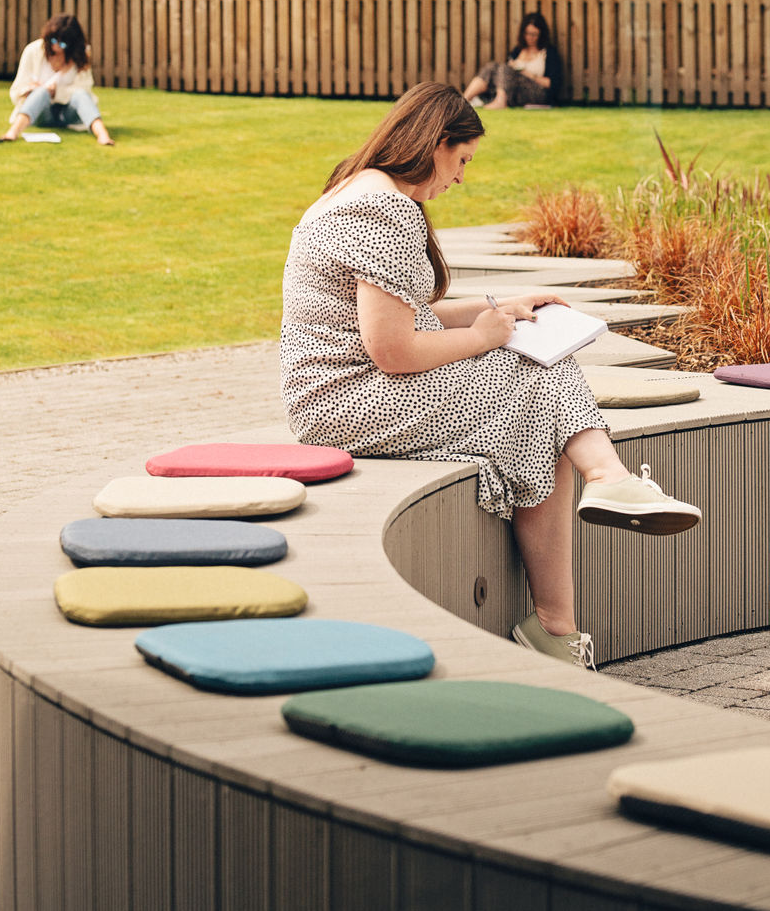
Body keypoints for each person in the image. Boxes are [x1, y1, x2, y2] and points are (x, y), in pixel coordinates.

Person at [280, 81, 700, 671]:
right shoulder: (380, 209)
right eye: (462, 160)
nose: (460, 178)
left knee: (538, 390)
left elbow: (403, 315)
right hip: (344, 404)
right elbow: (394, 351)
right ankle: (603, 487)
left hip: (341, 396)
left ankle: (560, 619)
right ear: (436, 142)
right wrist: (483, 338)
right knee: (533, 370)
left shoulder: (355, 191)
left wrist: (502, 308)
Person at [2, 13, 114, 145]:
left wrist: (57, 92)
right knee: (41, 92)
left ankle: (102, 135)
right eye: (54, 41)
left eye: (63, 43)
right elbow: (16, 91)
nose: (57, 46)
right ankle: (13, 132)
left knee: (80, 95)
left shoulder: (81, 56)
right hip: (41, 113)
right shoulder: (33, 51)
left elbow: (84, 89)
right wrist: (33, 90)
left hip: (70, 113)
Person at [463, 12, 565, 110]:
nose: (530, 37)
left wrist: (526, 73)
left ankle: (500, 101)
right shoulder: (518, 50)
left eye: (534, 34)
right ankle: (463, 100)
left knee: (505, 68)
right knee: (492, 66)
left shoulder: (549, 53)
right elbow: (503, 76)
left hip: (537, 93)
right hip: (513, 90)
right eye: (527, 33)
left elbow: (552, 83)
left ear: (541, 34)